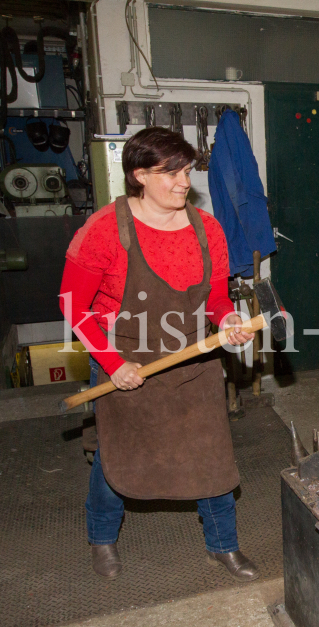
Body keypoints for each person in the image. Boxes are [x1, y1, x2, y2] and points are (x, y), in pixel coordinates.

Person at [60, 127, 259, 579]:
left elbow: (216, 298)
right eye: (169, 172)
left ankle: (223, 545)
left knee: (211, 457)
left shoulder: (206, 229)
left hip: (194, 361)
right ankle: (102, 539)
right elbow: (72, 305)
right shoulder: (105, 230)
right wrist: (112, 365)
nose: (183, 182)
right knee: (118, 459)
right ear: (139, 175)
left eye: (186, 170)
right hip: (124, 361)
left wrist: (227, 320)